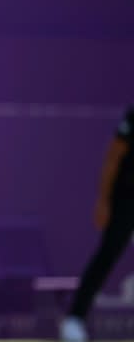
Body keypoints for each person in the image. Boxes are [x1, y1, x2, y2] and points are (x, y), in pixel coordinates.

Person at [59, 105, 134, 342]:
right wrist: (103, 201)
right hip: (127, 198)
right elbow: (114, 155)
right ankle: (75, 319)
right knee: (107, 254)